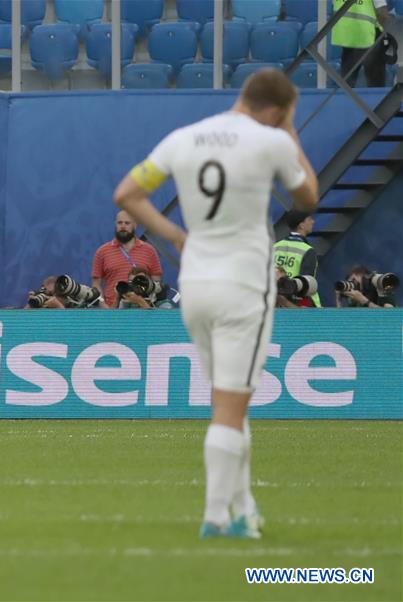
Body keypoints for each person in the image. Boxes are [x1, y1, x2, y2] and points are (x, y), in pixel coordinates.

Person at [113, 69, 318, 538]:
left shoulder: (185, 138)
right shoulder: (271, 140)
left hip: (197, 286)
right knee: (230, 406)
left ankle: (244, 510)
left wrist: (175, 235)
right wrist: (290, 134)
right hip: (244, 286)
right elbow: (307, 196)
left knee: (229, 399)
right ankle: (215, 516)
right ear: (277, 109)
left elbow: (127, 194)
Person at [91, 211, 163, 308]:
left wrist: (147, 305)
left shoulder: (149, 251)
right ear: (115, 225)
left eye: (127, 223)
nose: (123, 226)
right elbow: (96, 285)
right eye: (120, 223)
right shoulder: (102, 251)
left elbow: (157, 283)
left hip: (142, 311)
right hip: (114, 311)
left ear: (135, 225)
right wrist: (104, 306)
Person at [333, 0, 395, 88]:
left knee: (346, 84)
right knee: (375, 84)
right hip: (370, 36)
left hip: (348, 36)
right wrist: (385, 31)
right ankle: (375, 101)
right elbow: (382, 14)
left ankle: (345, 101)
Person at [274, 210, 321, 308]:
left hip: (276, 303)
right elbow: (307, 285)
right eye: (309, 219)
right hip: (298, 306)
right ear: (301, 226)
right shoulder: (307, 250)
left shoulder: (275, 247)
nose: (313, 222)